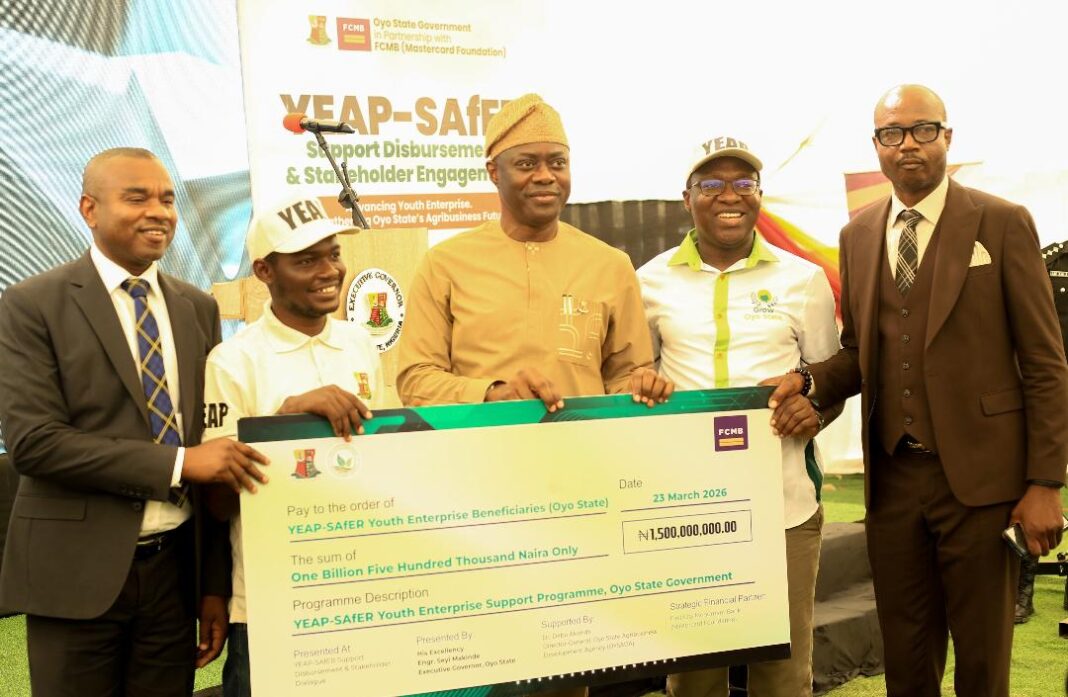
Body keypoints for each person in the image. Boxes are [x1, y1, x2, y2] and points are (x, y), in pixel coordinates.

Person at [767, 85, 1068, 697]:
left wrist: (1045, 483)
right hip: (895, 479)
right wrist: (810, 379)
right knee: (906, 657)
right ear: (876, 146)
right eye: (891, 133)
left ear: (947, 138)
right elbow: (864, 353)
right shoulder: (858, 235)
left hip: (984, 483)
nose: (907, 145)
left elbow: (1044, 362)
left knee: (983, 661)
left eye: (922, 130)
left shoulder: (1002, 223)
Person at [397, 93, 672, 697]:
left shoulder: (609, 264)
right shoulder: (446, 264)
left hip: (580, 499)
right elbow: (414, 378)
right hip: (472, 502)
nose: (546, 175)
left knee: (565, 666)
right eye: (527, 163)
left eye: (558, 161)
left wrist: (643, 387)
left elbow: (629, 374)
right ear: (493, 171)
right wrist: (491, 393)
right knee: (477, 665)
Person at [0, 147, 268, 696]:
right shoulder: (31, 304)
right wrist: (178, 462)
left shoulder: (197, 307)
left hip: (174, 575)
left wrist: (211, 587)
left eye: (168, 199)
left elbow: (210, 441)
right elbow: (35, 443)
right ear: (89, 209)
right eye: (137, 197)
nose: (160, 211)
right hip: (75, 576)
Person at [638, 136, 840, 697]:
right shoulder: (649, 281)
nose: (729, 195)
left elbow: (831, 381)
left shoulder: (802, 280)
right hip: (688, 511)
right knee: (693, 678)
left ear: (758, 195)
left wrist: (815, 407)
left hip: (784, 505)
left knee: (782, 677)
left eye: (743, 183)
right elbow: (635, 380)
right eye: (711, 184)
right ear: (686, 198)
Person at [200, 195, 383, 697]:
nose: (329, 270)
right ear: (264, 270)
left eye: (333, 254)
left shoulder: (361, 344)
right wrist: (283, 424)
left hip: (363, 595)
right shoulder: (232, 362)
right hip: (271, 606)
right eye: (306, 260)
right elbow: (216, 503)